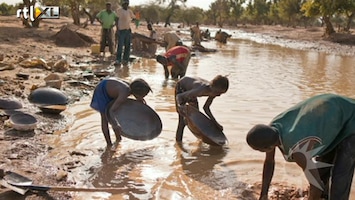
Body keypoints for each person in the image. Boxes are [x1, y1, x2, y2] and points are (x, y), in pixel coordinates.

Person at [246, 93, 355, 200]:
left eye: (259, 150)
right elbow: (269, 162)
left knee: (340, 176)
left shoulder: (298, 151)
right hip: (332, 114)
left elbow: (316, 186)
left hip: (350, 118)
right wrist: (263, 194)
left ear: (268, 147)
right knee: (322, 168)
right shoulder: (271, 131)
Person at [90, 77, 152, 147]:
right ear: (137, 93)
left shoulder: (131, 87)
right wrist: (115, 123)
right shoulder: (124, 92)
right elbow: (111, 110)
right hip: (102, 91)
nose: (144, 97)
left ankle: (118, 139)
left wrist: (141, 101)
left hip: (110, 87)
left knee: (116, 115)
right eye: (144, 95)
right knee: (105, 118)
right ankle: (109, 144)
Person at [174, 75, 229, 142]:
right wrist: (180, 106)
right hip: (181, 87)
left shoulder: (214, 92)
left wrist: (216, 123)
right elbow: (179, 96)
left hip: (191, 91)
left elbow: (206, 108)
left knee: (197, 121)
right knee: (182, 121)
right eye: (218, 93)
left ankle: (201, 143)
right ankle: (178, 144)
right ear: (212, 87)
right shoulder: (200, 89)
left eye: (221, 94)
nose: (219, 95)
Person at [115, 0, 136, 66]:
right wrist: (117, 29)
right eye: (124, 4)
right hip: (121, 30)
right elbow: (116, 20)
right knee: (120, 46)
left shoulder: (129, 11)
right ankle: (118, 60)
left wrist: (131, 21)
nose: (125, 5)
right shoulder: (119, 10)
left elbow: (134, 18)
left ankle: (125, 60)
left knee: (128, 46)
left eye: (127, 4)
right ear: (122, 4)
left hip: (128, 30)